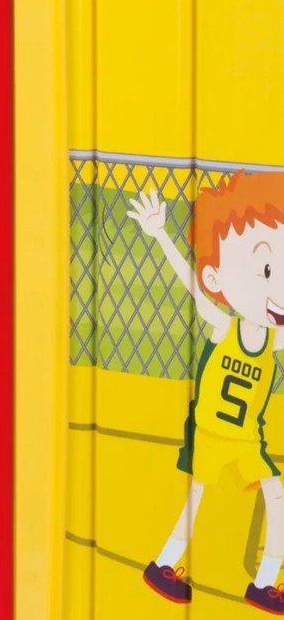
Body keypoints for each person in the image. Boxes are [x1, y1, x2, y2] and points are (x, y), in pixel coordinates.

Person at [128, 171, 284, 613]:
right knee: (195, 499)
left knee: (276, 496)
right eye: (268, 270)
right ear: (218, 274)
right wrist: (161, 234)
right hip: (212, 433)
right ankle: (163, 563)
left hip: (246, 439)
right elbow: (192, 286)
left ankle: (264, 583)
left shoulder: (272, 339)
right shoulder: (224, 327)